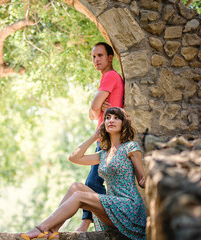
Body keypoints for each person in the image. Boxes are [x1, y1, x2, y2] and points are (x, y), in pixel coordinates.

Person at [17, 107, 147, 240]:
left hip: (128, 206)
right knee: (75, 187)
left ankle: (40, 229)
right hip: (112, 207)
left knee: (79, 196)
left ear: (123, 123)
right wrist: (94, 137)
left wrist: (153, 181)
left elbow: (142, 180)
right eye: (107, 118)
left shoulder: (131, 147)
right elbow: (74, 158)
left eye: (116, 118)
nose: (111, 120)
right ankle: (53, 229)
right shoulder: (103, 154)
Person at [79, 42, 124, 232]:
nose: (96, 60)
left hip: (106, 136)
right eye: (93, 57)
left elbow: (94, 108)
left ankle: (103, 224)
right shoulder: (110, 77)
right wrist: (94, 108)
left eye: (100, 56)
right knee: (95, 181)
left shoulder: (110, 76)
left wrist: (95, 108)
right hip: (103, 137)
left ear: (110, 58)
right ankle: (95, 223)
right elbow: (92, 112)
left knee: (93, 181)